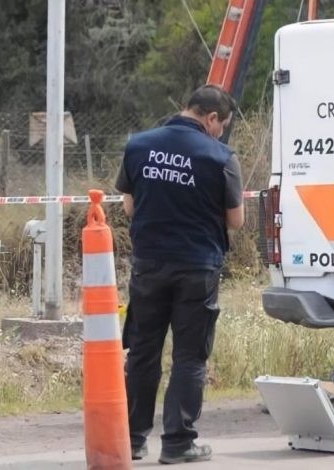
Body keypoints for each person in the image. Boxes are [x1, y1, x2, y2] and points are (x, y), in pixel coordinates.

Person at [116, 85, 244, 464]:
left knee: (142, 352)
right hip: (197, 266)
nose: (221, 133)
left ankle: (132, 440)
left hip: (149, 264)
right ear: (211, 118)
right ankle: (178, 443)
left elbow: (128, 206)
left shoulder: (138, 145)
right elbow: (235, 220)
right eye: (222, 125)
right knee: (190, 357)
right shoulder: (220, 157)